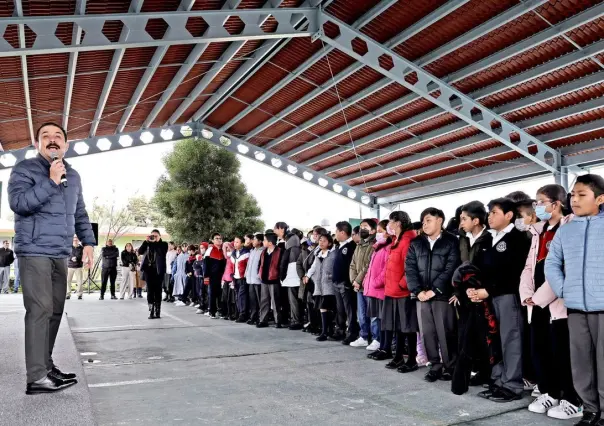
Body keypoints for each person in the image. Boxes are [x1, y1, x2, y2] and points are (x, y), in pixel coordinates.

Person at [8, 121, 95, 394]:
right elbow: (19, 204)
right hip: (34, 250)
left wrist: (89, 242)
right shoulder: (24, 169)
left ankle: (45, 366)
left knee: (56, 311)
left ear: (66, 145)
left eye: (58, 136)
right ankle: (36, 377)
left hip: (60, 251)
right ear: (37, 144)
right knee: (40, 310)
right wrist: (51, 181)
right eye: (45, 136)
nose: (52, 140)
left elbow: (79, 213)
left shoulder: (75, 176)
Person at [520, 184, 582, 420]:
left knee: (562, 353)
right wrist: (527, 294)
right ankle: (550, 392)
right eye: (536, 202)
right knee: (540, 349)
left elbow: (563, 268)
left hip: (558, 302)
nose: (538, 207)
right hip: (536, 303)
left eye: (542, 202)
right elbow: (529, 266)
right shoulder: (538, 230)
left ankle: (572, 400)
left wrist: (539, 298)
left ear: (556, 204)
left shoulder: (569, 227)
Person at [546, 174, 604, 426]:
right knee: (581, 362)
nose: (575, 200)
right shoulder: (565, 231)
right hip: (576, 307)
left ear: (600, 199)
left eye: (582, 195)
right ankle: (590, 410)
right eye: (573, 195)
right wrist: (563, 290)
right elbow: (552, 263)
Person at [474, 198, 531, 403]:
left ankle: (512, 384)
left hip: (507, 296)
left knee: (511, 340)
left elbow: (515, 272)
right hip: (487, 297)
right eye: (489, 213)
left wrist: (488, 290)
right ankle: (497, 379)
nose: (489, 216)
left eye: (494, 213)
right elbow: (479, 267)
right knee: (494, 339)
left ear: (508, 216)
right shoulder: (488, 239)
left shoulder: (519, 239)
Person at [407, 208, 460, 382]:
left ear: (440, 220)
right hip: (422, 296)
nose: (425, 224)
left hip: (442, 296)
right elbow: (410, 269)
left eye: (428, 220)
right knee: (427, 333)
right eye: (423, 221)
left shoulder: (451, 241)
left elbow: (450, 268)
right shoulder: (416, 243)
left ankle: (449, 366)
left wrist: (435, 290)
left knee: (446, 332)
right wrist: (417, 291)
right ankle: (435, 365)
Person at [370, 211, 418, 373]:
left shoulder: (407, 241)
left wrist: (402, 284)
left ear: (398, 223)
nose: (388, 225)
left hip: (402, 292)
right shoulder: (396, 240)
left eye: (390, 222)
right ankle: (398, 356)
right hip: (391, 291)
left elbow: (410, 267)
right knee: (397, 326)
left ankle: (411, 359)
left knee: (408, 327)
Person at [456, 201, 494, 388]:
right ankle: (478, 370)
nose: (461, 223)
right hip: (467, 294)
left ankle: (489, 373)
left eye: (464, 219)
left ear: (476, 220)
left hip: (485, 295)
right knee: (468, 334)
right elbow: (460, 266)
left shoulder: (490, 238)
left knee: (486, 336)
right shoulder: (463, 238)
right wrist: (461, 290)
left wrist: (481, 290)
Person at [362, 220, 391, 352]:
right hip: (374, 289)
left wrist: (375, 282)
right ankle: (381, 344)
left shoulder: (388, 248)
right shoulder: (378, 247)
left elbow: (386, 269)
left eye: (381, 231)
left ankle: (385, 346)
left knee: (384, 320)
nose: (378, 234)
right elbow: (371, 267)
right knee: (378, 318)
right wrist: (366, 280)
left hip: (381, 289)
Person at [349, 219, 377, 348]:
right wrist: (353, 280)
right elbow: (353, 264)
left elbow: (368, 265)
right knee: (361, 313)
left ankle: (376, 338)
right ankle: (364, 336)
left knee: (373, 314)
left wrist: (358, 280)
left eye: (365, 226)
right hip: (358, 286)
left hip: (369, 285)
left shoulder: (374, 245)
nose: (362, 229)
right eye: (361, 227)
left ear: (373, 230)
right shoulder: (359, 245)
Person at [305, 233, 337, 341]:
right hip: (319, 286)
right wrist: (307, 276)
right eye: (320, 240)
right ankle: (324, 331)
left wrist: (331, 276)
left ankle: (330, 330)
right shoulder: (317, 254)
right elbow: (313, 267)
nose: (321, 243)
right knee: (322, 309)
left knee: (330, 309)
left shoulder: (333, 254)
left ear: (330, 243)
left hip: (329, 286)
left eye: (324, 241)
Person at [333, 221, 358, 344]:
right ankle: (340, 330)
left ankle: (352, 332)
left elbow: (351, 266)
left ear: (342, 232)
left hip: (346, 284)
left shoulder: (351, 246)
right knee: (340, 309)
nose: (335, 234)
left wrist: (349, 282)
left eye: (336, 231)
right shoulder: (340, 246)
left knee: (350, 310)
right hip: (337, 283)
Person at [138, 230, 168, 319]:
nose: (153, 237)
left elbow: (161, 252)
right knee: (150, 291)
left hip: (158, 271)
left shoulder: (163, 244)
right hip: (148, 270)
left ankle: (157, 311)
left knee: (158, 291)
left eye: (155, 236)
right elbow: (140, 251)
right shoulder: (147, 243)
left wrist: (156, 241)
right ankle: (151, 311)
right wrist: (146, 242)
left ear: (159, 236)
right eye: (152, 235)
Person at [257, 233, 283, 328]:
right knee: (264, 301)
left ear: (270, 242)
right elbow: (260, 264)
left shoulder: (279, 251)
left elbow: (281, 266)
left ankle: (278, 321)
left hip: (274, 280)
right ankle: (263, 320)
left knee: (275, 301)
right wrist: (259, 273)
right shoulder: (264, 252)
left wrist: (280, 277)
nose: (263, 242)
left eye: (264, 240)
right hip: (264, 279)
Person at [280, 229, 302, 330]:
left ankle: (295, 320)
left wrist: (282, 277)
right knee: (298, 301)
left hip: (290, 279)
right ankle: (297, 320)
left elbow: (283, 265)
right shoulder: (301, 249)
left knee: (293, 300)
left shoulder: (289, 250)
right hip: (298, 278)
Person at [205, 233, 226, 319]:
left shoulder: (224, 250)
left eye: (220, 238)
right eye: (216, 238)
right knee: (212, 294)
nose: (219, 240)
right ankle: (212, 312)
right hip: (212, 277)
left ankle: (221, 311)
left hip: (222, 277)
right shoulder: (209, 250)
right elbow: (205, 266)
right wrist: (206, 278)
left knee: (221, 294)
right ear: (213, 240)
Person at [244, 233, 264, 324]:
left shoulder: (263, 251)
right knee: (252, 300)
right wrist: (246, 273)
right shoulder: (252, 251)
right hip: (250, 279)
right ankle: (253, 317)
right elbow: (248, 264)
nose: (253, 241)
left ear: (260, 241)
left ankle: (261, 318)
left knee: (260, 300)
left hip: (258, 280)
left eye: (255, 239)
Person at [232, 236, 250, 323]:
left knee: (241, 296)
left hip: (243, 278)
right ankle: (239, 313)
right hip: (235, 277)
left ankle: (243, 314)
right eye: (234, 242)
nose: (235, 244)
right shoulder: (234, 253)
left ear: (242, 243)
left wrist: (245, 276)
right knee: (237, 296)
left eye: (237, 242)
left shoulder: (246, 252)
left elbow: (248, 266)